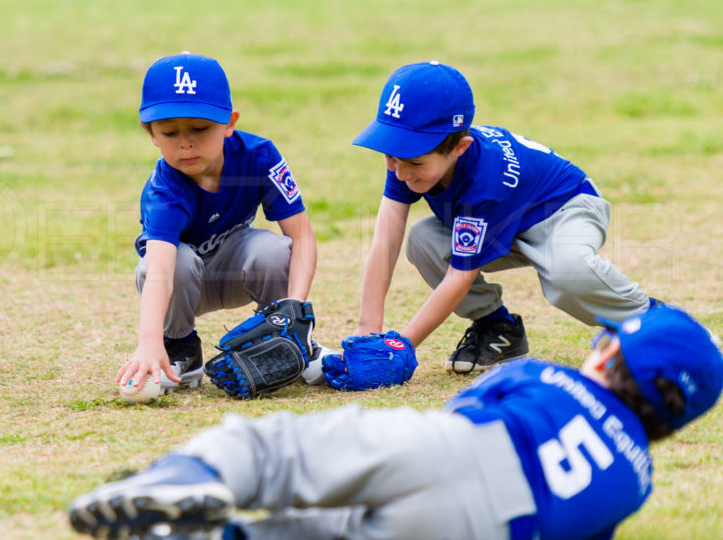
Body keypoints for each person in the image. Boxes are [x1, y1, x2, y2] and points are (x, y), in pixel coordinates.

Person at [70, 301, 723, 539]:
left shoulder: (549, 376)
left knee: (282, 450)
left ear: (609, 350)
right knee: (326, 532)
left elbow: (462, 415)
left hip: (453, 448)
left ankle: (193, 474)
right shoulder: (635, 480)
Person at [351, 60, 648, 374]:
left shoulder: (486, 182)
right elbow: (385, 241)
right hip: (507, 220)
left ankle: (652, 322)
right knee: (423, 240)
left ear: (460, 148)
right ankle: (498, 329)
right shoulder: (406, 161)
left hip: (565, 209)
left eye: (413, 161)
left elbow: (459, 277)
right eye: (390, 153)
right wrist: (368, 329)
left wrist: (401, 347)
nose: (399, 170)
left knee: (566, 272)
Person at [119, 52, 318, 393]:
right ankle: (180, 348)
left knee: (273, 250)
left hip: (233, 270)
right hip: (178, 284)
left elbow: (302, 237)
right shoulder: (163, 190)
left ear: (229, 122)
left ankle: (280, 337)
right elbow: (162, 272)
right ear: (151, 134)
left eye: (200, 127)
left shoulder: (258, 156)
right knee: (176, 260)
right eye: (169, 131)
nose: (186, 142)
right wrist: (149, 340)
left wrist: (296, 310)